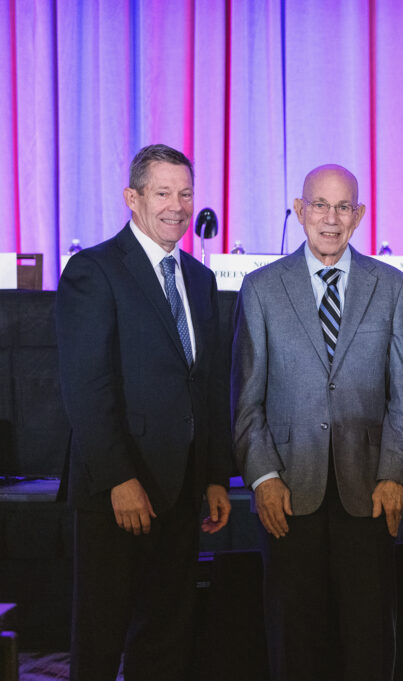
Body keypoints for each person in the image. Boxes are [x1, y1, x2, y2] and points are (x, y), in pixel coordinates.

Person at [231, 164, 403, 681]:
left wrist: (397, 472)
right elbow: (247, 398)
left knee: (369, 638)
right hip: (288, 490)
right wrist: (263, 477)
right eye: (319, 205)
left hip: (371, 491)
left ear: (359, 215)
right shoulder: (261, 288)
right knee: (295, 640)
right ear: (299, 210)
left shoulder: (393, 287)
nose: (330, 219)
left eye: (342, 207)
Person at [56, 143, 232, 681]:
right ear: (132, 198)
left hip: (180, 491)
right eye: (162, 193)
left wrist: (214, 476)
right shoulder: (94, 271)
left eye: (185, 193)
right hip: (118, 492)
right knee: (103, 633)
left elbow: (207, 386)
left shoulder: (200, 280)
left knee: (166, 631)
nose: (176, 206)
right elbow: (88, 388)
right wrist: (119, 479)